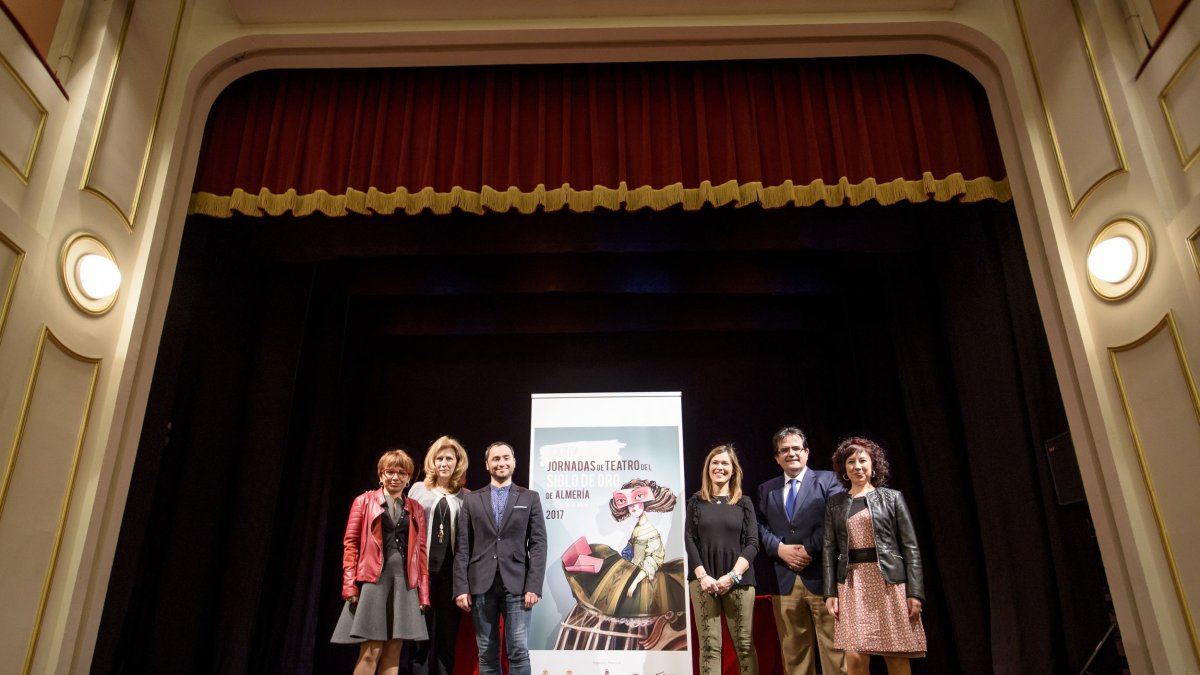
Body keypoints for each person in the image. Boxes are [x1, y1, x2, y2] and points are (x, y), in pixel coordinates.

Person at [822, 437, 926, 675]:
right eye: (850, 462)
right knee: (854, 656)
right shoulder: (835, 503)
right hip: (851, 584)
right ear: (844, 469)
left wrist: (915, 592)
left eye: (862, 460)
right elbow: (829, 549)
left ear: (873, 465)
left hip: (887, 582)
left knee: (896, 655)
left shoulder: (892, 498)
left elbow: (910, 548)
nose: (857, 466)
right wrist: (829, 592)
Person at [756, 426, 847, 675]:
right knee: (794, 657)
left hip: (824, 579)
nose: (791, 453)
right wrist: (780, 549)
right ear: (777, 457)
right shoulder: (766, 489)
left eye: (796, 448)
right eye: (784, 450)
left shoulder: (830, 480)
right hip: (784, 580)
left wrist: (808, 549)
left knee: (835, 655)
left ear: (806, 452)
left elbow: (835, 520)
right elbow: (759, 526)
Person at [332, 449, 431, 675]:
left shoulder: (415, 508)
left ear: (408, 478)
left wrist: (423, 592)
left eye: (402, 472)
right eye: (390, 471)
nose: (395, 477)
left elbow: (421, 553)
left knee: (394, 650)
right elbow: (351, 545)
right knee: (371, 650)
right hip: (374, 581)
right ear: (381, 474)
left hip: (404, 584)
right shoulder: (364, 501)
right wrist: (349, 584)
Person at [453, 441, 547, 675]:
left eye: (506, 457)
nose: (501, 462)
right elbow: (463, 546)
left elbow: (538, 544)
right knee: (486, 651)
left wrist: (533, 585)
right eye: (495, 459)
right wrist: (461, 587)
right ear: (487, 464)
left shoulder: (530, 498)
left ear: (514, 462)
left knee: (518, 651)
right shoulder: (472, 499)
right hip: (480, 584)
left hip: (517, 585)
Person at [684, 444, 760, 675]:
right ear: (708, 468)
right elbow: (689, 540)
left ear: (733, 470)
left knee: (744, 645)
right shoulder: (695, 503)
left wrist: (732, 576)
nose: (719, 467)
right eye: (715, 463)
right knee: (709, 646)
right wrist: (703, 576)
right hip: (703, 583)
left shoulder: (743, 503)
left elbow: (752, 543)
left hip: (739, 581)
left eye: (725, 463)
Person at [408, 436, 470, 675]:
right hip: (421, 575)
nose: (444, 463)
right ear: (433, 461)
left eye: (449, 458)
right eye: (440, 458)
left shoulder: (466, 496)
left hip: (451, 577)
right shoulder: (418, 489)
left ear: (458, 463)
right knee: (419, 639)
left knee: (447, 639)